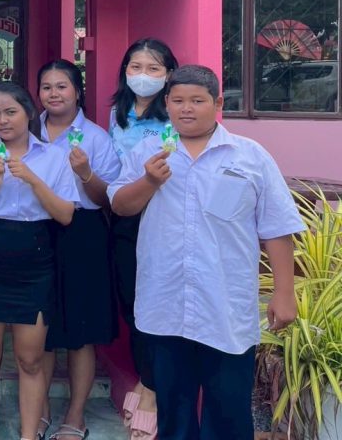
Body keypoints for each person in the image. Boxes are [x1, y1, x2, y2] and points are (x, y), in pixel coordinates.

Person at [108, 65, 303, 440]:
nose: (186, 108)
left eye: (197, 101)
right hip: (165, 306)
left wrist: (284, 292)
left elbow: (277, 227)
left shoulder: (250, 156)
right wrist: (149, 181)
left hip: (225, 309)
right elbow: (120, 205)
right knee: (174, 413)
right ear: (167, 103)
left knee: (229, 414)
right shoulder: (149, 152)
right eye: (178, 100)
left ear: (218, 103)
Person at [0, 82, 78, 440]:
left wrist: (32, 179)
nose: (3, 120)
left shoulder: (52, 156)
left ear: (29, 113)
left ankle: (27, 435)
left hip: (34, 258)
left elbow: (65, 215)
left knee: (30, 359)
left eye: (10, 112)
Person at [36, 59, 122, 440]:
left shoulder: (96, 138)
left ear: (77, 91)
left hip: (83, 234)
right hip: (38, 230)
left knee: (80, 329)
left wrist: (86, 172)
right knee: (38, 326)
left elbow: (108, 199)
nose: (53, 94)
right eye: (47, 87)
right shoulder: (28, 130)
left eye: (62, 86)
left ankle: (75, 415)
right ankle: (38, 409)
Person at [108, 38, 179, 439]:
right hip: (124, 215)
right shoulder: (116, 114)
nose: (143, 76)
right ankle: (144, 378)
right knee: (132, 304)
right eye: (136, 67)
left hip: (163, 215)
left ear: (169, 74)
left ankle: (151, 390)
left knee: (159, 305)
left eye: (153, 68)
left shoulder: (173, 116)